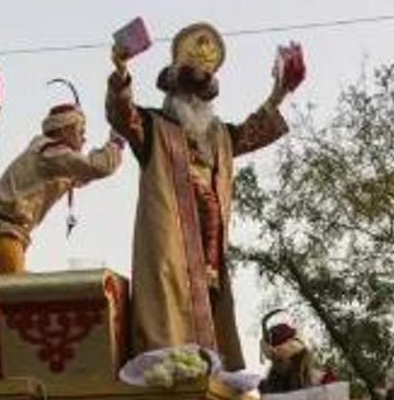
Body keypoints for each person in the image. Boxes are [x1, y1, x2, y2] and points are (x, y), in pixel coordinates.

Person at [107, 22, 302, 368]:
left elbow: (254, 129)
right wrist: (121, 68)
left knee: (209, 316)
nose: (193, 101)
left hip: (210, 253)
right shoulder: (153, 126)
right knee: (169, 313)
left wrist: (280, 91)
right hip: (170, 246)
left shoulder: (220, 138)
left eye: (200, 95)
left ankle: (207, 373)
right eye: (187, 93)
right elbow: (122, 115)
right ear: (172, 91)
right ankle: (168, 373)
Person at [0, 102, 123, 274]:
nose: (84, 138)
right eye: (80, 131)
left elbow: (84, 174)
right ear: (64, 130)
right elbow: (97, 167)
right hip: (2, 233)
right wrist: (116, 142)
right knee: (15, 296)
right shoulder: (52, 154)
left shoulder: (50, 155)